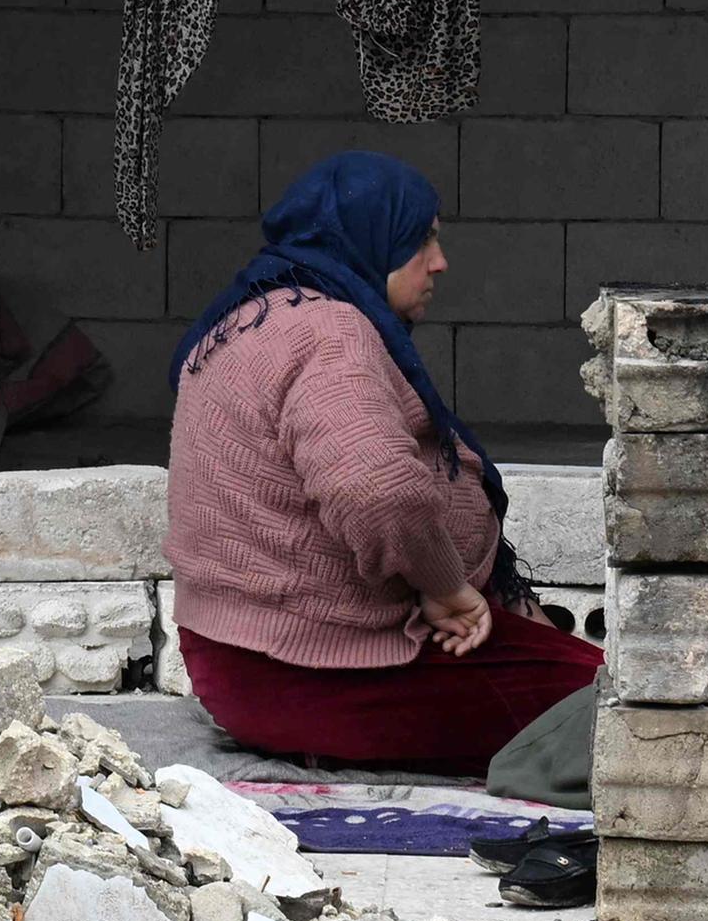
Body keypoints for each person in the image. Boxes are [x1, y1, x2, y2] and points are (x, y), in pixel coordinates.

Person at [162, 151, 600, 779]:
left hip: (242, 662)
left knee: (573, 676)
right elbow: (375, 490)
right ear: (371, 236)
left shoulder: (246, 320)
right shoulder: (329, 330)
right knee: (625, 716)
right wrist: (445, 586)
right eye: (423, 238)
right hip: (326, 670)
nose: (440, 262)